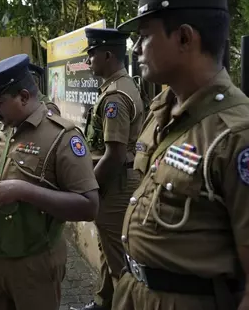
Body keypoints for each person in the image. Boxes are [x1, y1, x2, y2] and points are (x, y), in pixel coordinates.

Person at [112, 0, 249, 310]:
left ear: (184, 38)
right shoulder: (162, 113)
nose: (135, 48)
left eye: (145, 36)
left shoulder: (247, 139)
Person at [0, 54, 100, 310]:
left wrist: (25, 191)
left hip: (33, 264)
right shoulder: (6, 128)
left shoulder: (61, 137)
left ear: (23, 96)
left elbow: (88, 205)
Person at [79, 28, 144, 310]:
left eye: (92, 54)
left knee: (120, 264)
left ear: (107, 55)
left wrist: (88, 188)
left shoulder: (115, 97)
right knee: (108, 247)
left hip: (115, 184)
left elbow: (115, 154)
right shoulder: (119, 86)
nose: (89, 60)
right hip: (115, 181)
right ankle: (103, 302)